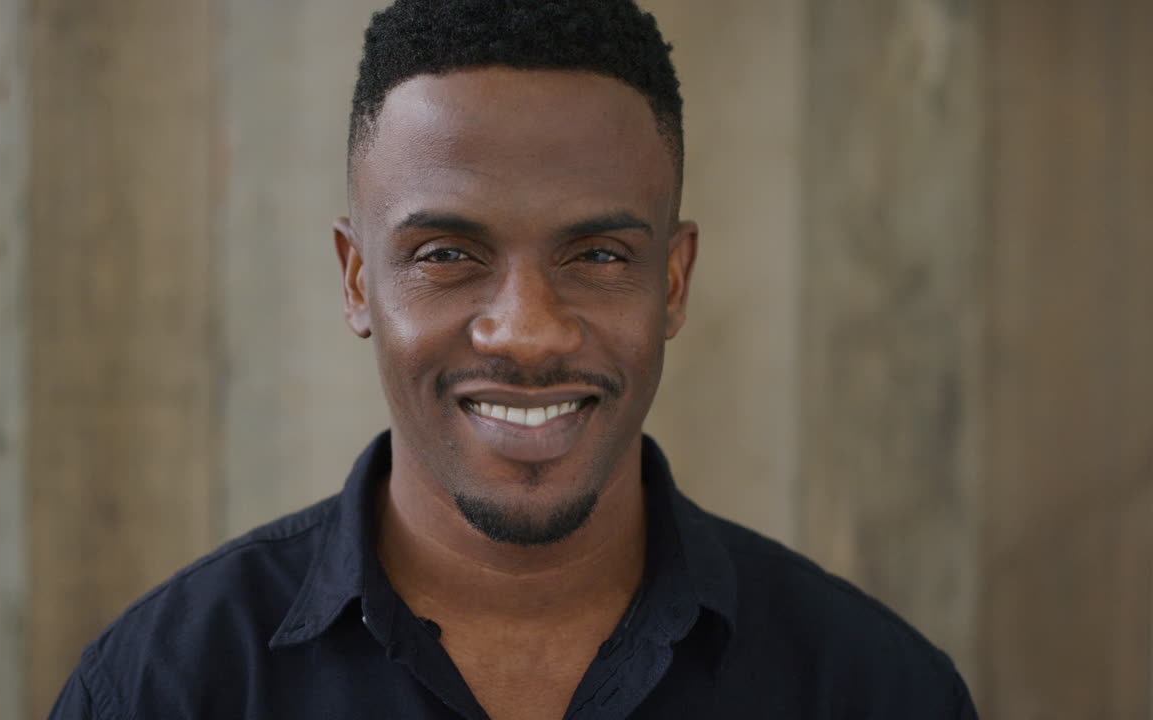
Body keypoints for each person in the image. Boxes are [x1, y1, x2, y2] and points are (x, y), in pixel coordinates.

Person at [49, 1, 978, 718]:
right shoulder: (163, 688)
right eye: (448, 255)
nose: (527, 333)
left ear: (674, 283)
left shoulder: (872, 690)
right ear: (355, 279)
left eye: (600, 256)